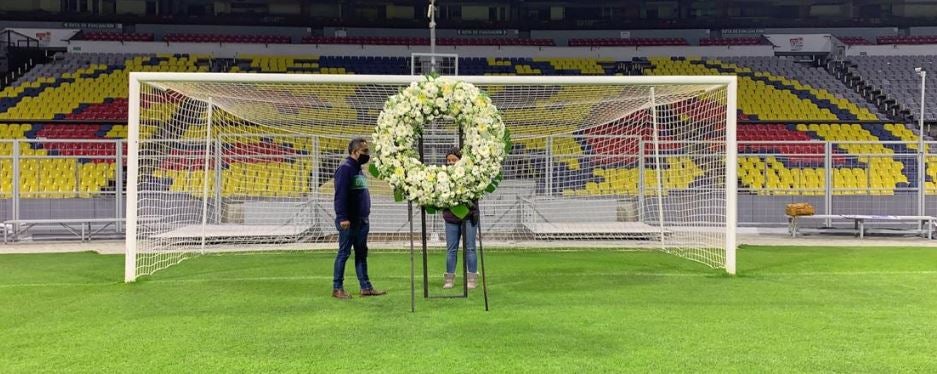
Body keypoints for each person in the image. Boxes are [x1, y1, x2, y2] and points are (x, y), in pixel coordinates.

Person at [332, 137, 385, 299]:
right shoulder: (345, 169)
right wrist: (342, 217)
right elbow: (340, 195)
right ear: (355, 152)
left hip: (362, 220)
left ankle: (365, 287)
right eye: (364, 151)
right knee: (344, 253)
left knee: (361, 254)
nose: (367, 154)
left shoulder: (358, 169)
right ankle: (337, 288)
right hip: (350, 221)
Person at [441, 147, 480, 289]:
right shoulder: (442, 177)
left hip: (469, 217)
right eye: (448, 160)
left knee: (470, 248)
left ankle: (472, 279)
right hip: (451, 218)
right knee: (451, 249)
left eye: (454, 160)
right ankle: (449, 279)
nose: (451, 163)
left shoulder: (469, 174)